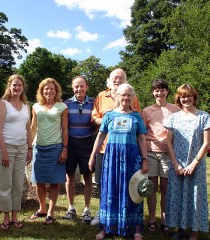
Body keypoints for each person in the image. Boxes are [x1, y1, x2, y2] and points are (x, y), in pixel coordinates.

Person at [88, 83, 148, 240]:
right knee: (110, 190)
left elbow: (142, 139)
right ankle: (106, 228)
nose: (126, 98)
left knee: (133, 191)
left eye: (129, 95)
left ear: (132, 97)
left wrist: (145, 159)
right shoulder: (109, 116)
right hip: (112, 158)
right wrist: (93, 155)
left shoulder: (136, 116)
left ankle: (135, 229)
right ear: (117, 96)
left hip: (131, 159)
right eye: (123, 94)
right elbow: (100, 136)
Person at [163, 84, 209, 240]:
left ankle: (194, 231)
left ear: (194, 97)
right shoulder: (173, 118)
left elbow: (206, 143)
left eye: (189, 96)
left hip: (196, 165)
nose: (186, 99)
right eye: (183, 96)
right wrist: (176, 164)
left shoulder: (204, 117)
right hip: (178, 164)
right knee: (177, 195)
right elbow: (169, 142)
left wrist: (193, 164)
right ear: (178, 98)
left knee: (195, 197)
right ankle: (180, 229)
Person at [141, 79, 179, 233]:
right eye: (156, 90)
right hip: (151, 152)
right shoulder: (146, 110)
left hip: (168, 153)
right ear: (153, 93)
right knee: (151, 187)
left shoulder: (175, 109)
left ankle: (165, 220)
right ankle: (151, 220)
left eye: (162, 90)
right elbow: (142, 134)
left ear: (167, 91)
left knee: (165, 188)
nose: (159, 93)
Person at [0, 74, 32, 230]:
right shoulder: (3, 104)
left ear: (23, 88)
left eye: (19, 85)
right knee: (5, 184)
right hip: (6, 148)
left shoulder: (26, 106)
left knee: (17, 184)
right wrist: (3, 152)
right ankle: (5, 217)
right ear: (9, 86)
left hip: (21, 149)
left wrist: (30, 148)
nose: (17, 88)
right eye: (14, 85)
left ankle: (15, 216)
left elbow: (28, 129)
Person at [30, 78, 68, 225]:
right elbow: (33, 128)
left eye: (51, 88)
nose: (49, 91)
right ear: (41, 91)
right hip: (39, 148)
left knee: (54, 181)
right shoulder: (35, 107)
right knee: (39, 181)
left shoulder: (62, 106)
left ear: (56, 90)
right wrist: (29, 145)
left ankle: (51, 212)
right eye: (46, 89)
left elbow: (65, 129)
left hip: (56, 147)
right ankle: (42, 209)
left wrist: (65, 149)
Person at [63, 76, 95, 223]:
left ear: (86, 87)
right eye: (76, 86)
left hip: (88, 144)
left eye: (82, 86)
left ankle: (87, 209)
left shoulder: (95, 103)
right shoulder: (66, 104)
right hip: (70, 144)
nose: (79, 89)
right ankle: (71, 207)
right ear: (72, 87)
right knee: (69, 176)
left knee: (87, 176)